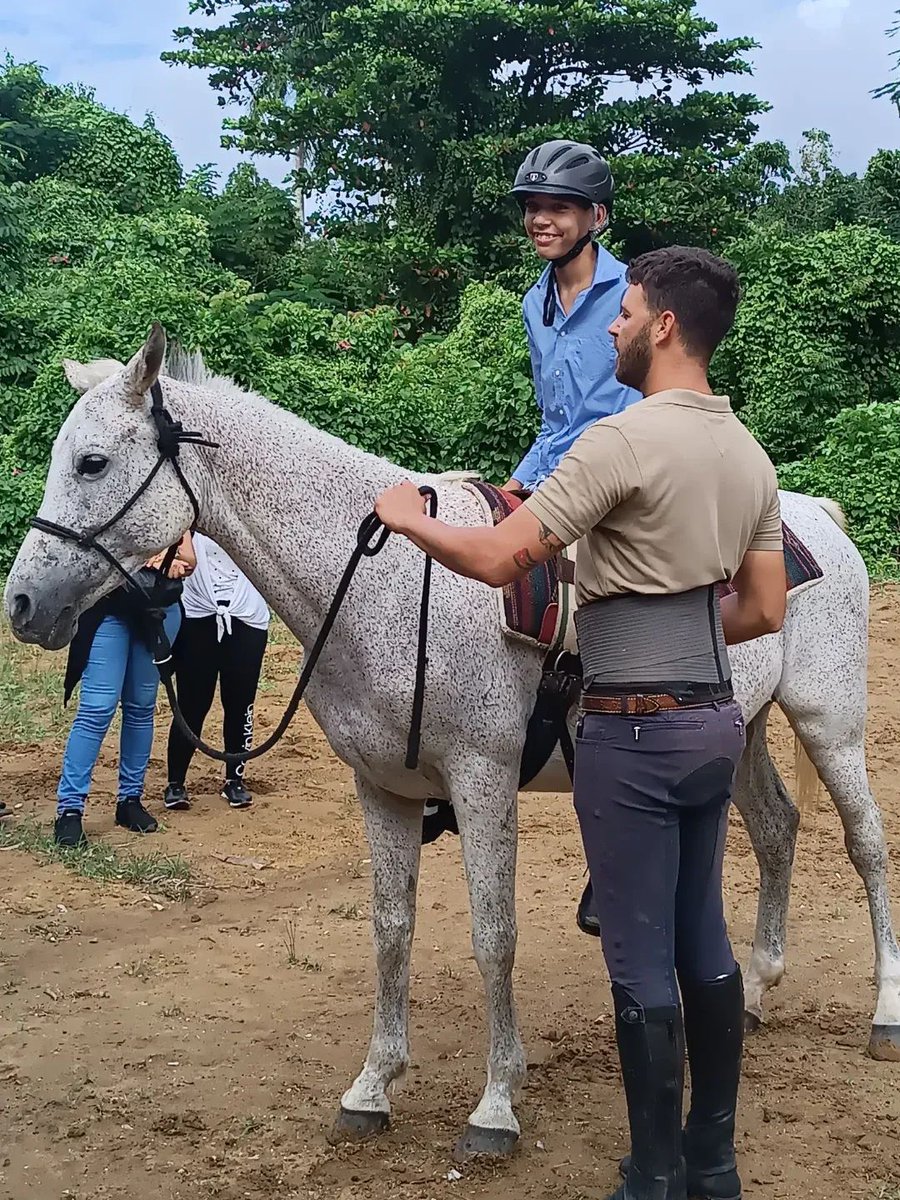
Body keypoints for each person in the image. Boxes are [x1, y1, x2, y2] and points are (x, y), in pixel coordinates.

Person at [374, 246, 786, 1200]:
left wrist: (407, 517)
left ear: (665, 326)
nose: (613, 328)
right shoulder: (748, 454)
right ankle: (712, 1164)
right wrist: (672, 623)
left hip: (631, 731)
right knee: (704, 942)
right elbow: (765, 608)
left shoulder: (618, 444)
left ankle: (651, 1176)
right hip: (711, 720)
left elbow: (497, 559)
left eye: (626, 313)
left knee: (638, 961)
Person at [422, 137, 641, 845]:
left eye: (560, 208)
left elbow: (637, 402)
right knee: (477, 572)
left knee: (604, 597)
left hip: (624, 469)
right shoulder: (533, 304)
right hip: (556, 475)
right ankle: (470, 746)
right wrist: (512, 485)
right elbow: (556, 419)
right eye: (533, 207)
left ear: (597, 217)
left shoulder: (636, 294)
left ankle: (618, 737)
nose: (542, 220)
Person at [54, 536, 195, 848]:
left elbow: (189, 558)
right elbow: (91, 548)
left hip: (158, 608)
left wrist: (167, 558)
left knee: (141, 707)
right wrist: (149, 557)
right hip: (107, 609)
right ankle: (69, 809)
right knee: (97, 708)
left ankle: (130, 800)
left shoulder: (171, 508)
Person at [164, 531, 270, 811]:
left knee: (240, 702)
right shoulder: (194, 520)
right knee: (192, 702)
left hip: (246, 614)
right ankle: (176, 782)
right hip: (198, 613)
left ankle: (235, 780)